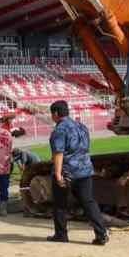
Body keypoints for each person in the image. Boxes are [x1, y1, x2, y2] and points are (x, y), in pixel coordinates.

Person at [48, 100, 109, 245]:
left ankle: (61, 234)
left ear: (55, 113)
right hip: (85, 169)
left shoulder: (60, 129)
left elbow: (58, 153)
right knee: (89, 202)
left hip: (67, 171)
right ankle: (101, 234)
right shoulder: (81, 126)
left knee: (60, 204)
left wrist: (57, 174)